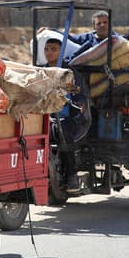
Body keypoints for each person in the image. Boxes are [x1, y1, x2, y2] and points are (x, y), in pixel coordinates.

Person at [44, 37, 88, 191]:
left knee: (62, 131)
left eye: (54, 49)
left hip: (67, 117)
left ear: (61, 52)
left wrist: (80, 104)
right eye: (47, 49)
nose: (49, 52)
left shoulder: (69, 73)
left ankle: (71, 175)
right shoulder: (40, 71)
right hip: (44, 116)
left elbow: (79, 94)